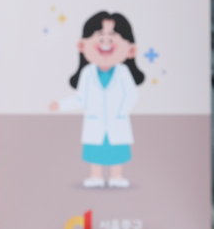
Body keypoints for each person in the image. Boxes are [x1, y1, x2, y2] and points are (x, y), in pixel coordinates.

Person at [49, 12, 146, 188]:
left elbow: (132, 95)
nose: (106, 44)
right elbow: (80, 99)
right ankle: (96, 176)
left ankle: (117, 177)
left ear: (131, 49)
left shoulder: (123, 73)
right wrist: (61, 105)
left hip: (118, 121)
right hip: (95, 122)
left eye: (112, 39)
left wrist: (121, 112)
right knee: (95, 151)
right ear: (82, 45)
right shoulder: (87, 74)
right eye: (100, 38)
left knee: (117, 151)